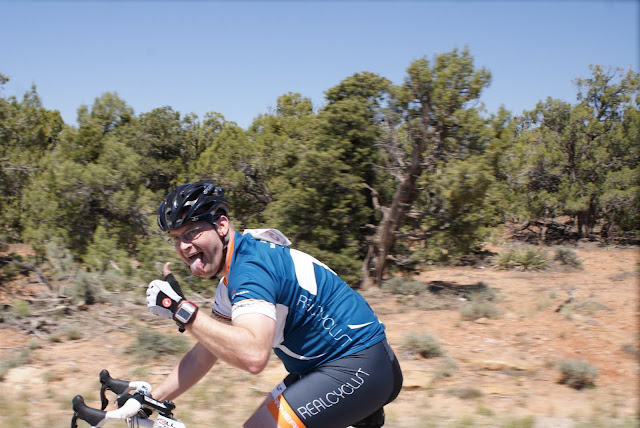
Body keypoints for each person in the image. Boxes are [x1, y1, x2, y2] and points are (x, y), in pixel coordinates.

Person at [145, 179, 403, 428]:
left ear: (221, 225)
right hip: (328, 368)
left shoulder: (250, 270)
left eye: (191, 232)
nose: (183, 246)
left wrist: (180, 310)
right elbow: (206, 351)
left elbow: (253, 356)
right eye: (176, 237)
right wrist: (151, 400)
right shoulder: (232, 277)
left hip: (358, 366)